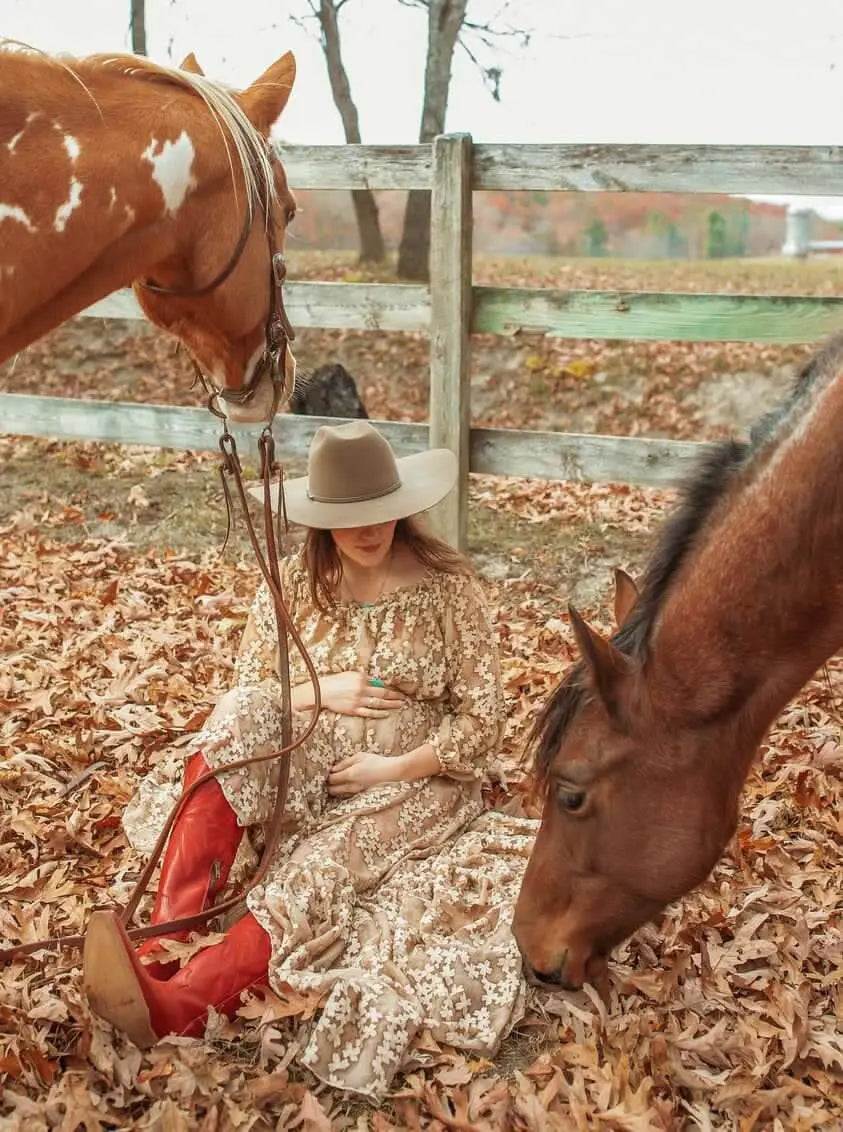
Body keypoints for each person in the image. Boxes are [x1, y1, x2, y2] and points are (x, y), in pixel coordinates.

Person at [82, 421, 536, 1099]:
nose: (367, 529)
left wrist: (394, 768)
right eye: (348, 517)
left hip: (419, 775)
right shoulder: (296, 582)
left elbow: (484, 721)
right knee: (237, 722)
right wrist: (319, 690)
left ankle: (179, 1006)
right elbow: (248, 688)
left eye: (379, 511)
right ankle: (169, 938)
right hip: (309, 746)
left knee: (322, 863)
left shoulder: (449, 587)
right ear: (321, 520)